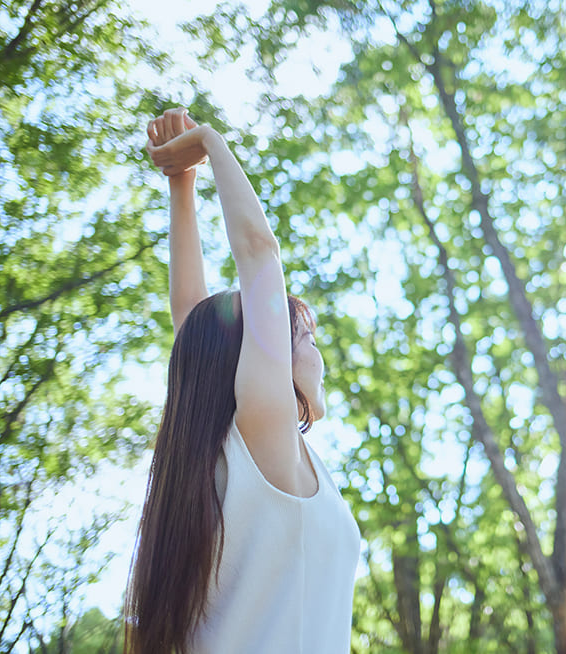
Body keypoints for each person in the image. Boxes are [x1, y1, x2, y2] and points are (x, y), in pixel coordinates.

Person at [124, 108, 360, 654]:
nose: (318, 353)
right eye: (307, 339)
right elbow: (259, 253)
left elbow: (192, 319)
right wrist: (208, 141)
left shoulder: (232, 460)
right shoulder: (265, 439)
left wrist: (181, 184)